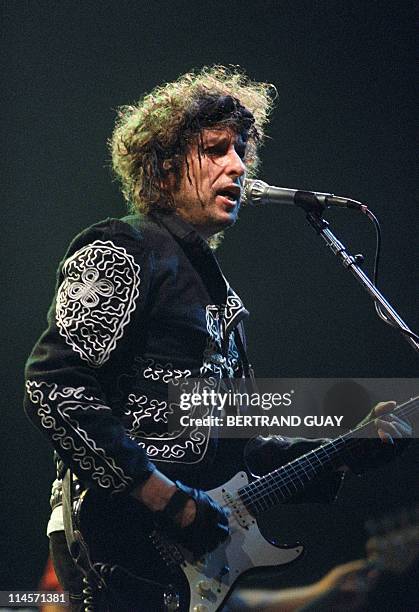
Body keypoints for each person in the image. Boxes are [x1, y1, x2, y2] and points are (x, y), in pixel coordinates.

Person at [24, 66, 411, 611]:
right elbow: (55, 387)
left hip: (187, 566)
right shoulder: (123, 247)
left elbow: (240, 446)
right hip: (122, 545)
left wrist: (344, 452)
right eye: (215, 149)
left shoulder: (222, 295)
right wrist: (168, 502)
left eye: (241, 149)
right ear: (162, 167)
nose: (237, 165)